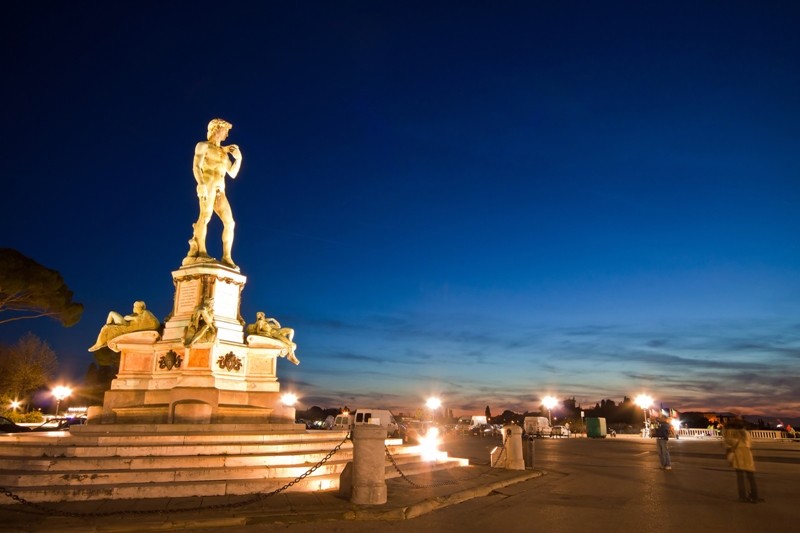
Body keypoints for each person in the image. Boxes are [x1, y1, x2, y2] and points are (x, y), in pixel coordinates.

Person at [184, 118, 243, 269]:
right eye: (226, 130)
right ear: (216, 129)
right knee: (205, 216)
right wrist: (201, 184)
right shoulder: (203, 146)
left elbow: (233, 173)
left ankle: (227, 257)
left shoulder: (224, 153)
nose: (227, 135)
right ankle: (201, 252)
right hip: (208, 185)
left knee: (230, 222)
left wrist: (239, 158)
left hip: (220, 189)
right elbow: (196, 166)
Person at [89, 301, 160, 351]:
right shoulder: (135, 314)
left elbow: (155, 323)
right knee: (111, 314)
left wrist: (130, 318)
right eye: (134, 307)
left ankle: (99, 343)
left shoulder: (145, 313)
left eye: (136, 307)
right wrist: (129, 317)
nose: (134, 308)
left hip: (127, 326)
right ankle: (106, 338)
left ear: (141, 308)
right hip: (125, 323)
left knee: (106, 327)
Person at [723, 417, 763, 503]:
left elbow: (728, 444)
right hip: (747, 454)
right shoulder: (745, 433)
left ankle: (742, 496)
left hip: (738, 454)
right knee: (751, 476)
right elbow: (750, 443)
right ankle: (754, 495)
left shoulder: (730, 433)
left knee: (740, 477)